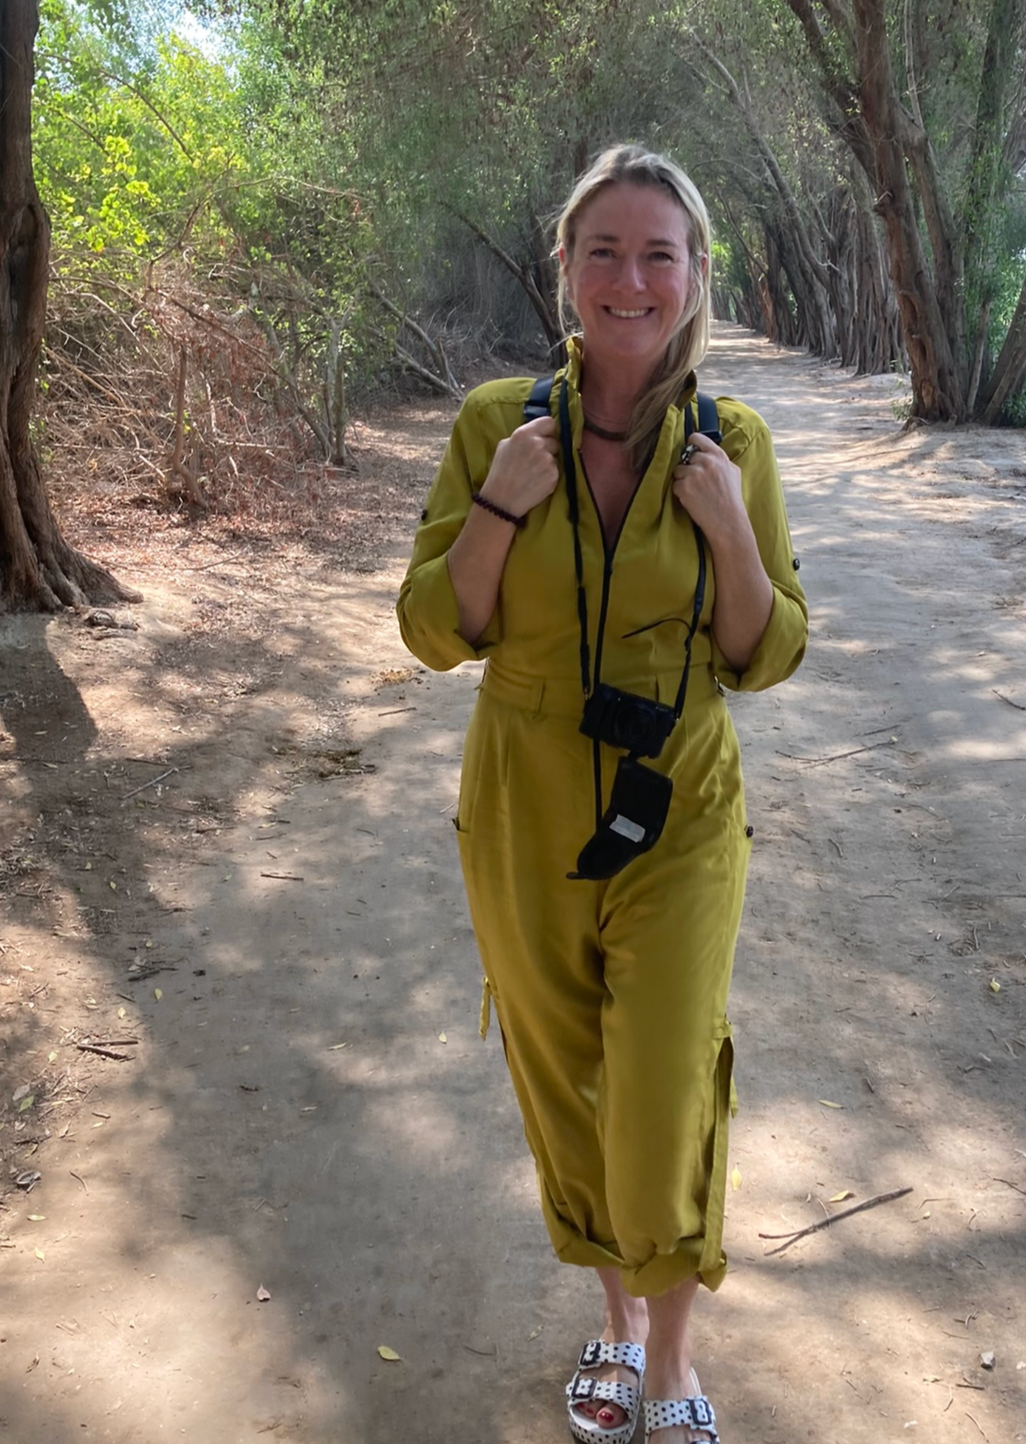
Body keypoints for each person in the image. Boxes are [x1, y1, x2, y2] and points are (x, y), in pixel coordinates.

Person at [396, 143, 807, 1444]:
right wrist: (499, 513)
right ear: (564, 269)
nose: (631, 279)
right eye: (604, 251)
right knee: (560, 1068)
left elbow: (765, 652)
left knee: (662, 1080)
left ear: (694, 279)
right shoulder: (491, 428)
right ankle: (617, 1322)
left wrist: (732, 529)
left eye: (659, 254)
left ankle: (675, 1355)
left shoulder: (734, 441)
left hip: (679, 792)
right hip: (521, 789)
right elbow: (434, 631)